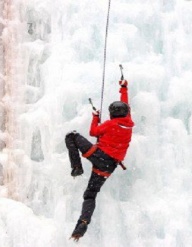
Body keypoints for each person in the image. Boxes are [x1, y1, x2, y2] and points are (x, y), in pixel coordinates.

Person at [65, 79, 134, 241]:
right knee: (91, 195)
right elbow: (126, 105)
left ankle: (77, 167)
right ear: (125, 113)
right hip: (109, 167)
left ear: (111, 113)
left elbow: (93, 132)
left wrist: (95, 117)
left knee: (72, 137)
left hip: (99, 156)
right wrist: (124, 88)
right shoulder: (129, 124)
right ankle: (82, 224)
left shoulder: (110, 124)